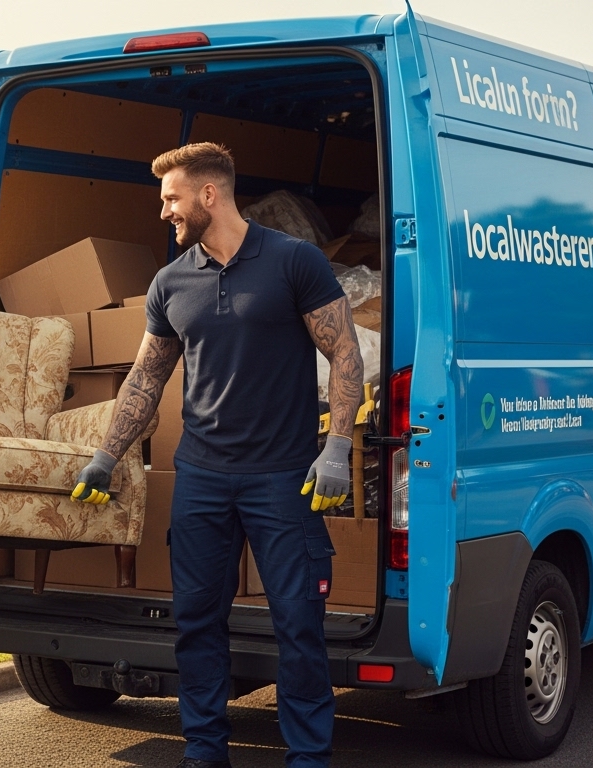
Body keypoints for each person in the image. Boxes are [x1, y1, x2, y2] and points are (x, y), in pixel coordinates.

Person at [71, 143, 364, 768]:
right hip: (202, 476)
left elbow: (343, 353)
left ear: (210, 194)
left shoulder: (295, 262)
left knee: (298, 624)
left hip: (284, 477)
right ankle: (204, 750)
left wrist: (337, 445)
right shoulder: (171, 281)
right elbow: (147, 377)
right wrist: (106, 453)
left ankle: (309, 757)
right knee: (197, 623)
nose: (164, 212)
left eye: (171, 198)